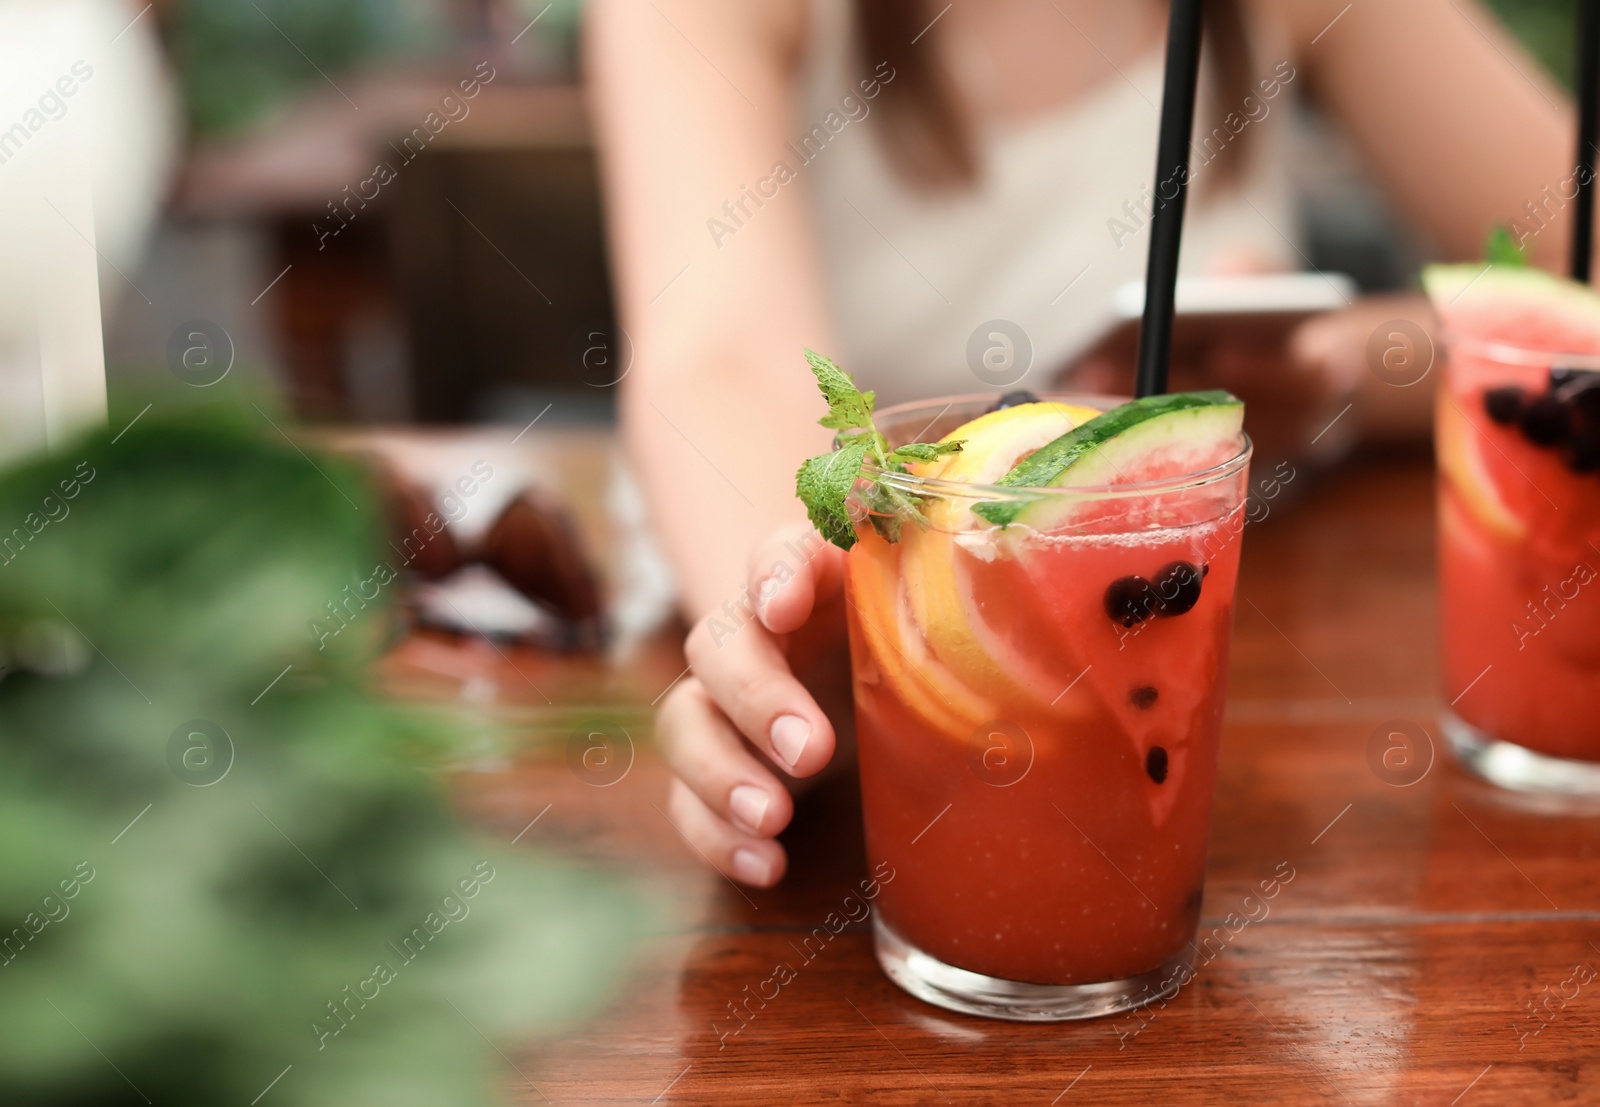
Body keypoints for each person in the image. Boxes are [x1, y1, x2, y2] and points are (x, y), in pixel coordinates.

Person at [585, 0, 1584, 886]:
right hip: (911, 627)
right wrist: (800, 643)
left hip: (1179, 659)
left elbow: (1568, 265)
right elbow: (715, 358)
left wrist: (1336, 370)